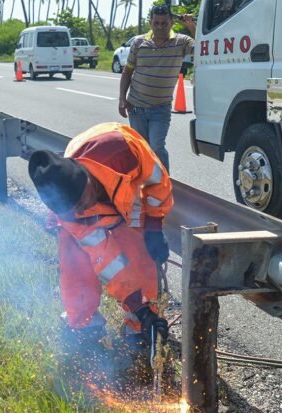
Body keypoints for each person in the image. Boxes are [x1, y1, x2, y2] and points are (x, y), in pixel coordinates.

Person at [28, 122, 173, 388]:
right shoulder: (71, 215)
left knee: (140, 258)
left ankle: (140, 331)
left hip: (123, 185)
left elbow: (158, 182)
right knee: (77, 268)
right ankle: (84, 325)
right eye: (75, 210)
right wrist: (138, 306)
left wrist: (154, 224)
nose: (83, 211)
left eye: (83, 203)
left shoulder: (122, 152)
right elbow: (106, 261)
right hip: (98, 198)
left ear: (85, 180)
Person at [118, 4, 196, 171]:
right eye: (156, 23)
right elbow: (127, 72)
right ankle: (145, 186)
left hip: (160, 108)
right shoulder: (139, 43)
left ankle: (164, 186)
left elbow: (202, 51)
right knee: (142, 149)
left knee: (157, 147)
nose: (160, 27)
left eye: (164, 23)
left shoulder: (182, 42)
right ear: (150, 23)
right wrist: (121, 98)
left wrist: (191, 27)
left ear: (172, 23)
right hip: (136, 108)